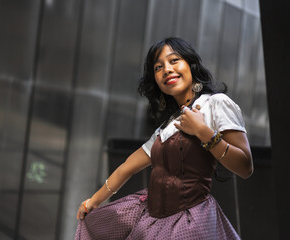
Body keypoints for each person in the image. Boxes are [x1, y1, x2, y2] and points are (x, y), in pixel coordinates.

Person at [75, 37, 253, 239]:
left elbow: (245, 167)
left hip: (191, 225)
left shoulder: (216, 103)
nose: (166, 69)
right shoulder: (166, 126)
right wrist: (94, 201)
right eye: (158, 67)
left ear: (191, 65)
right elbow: (127, 167)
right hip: (151, 221)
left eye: (174, 60)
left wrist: (203, 132)